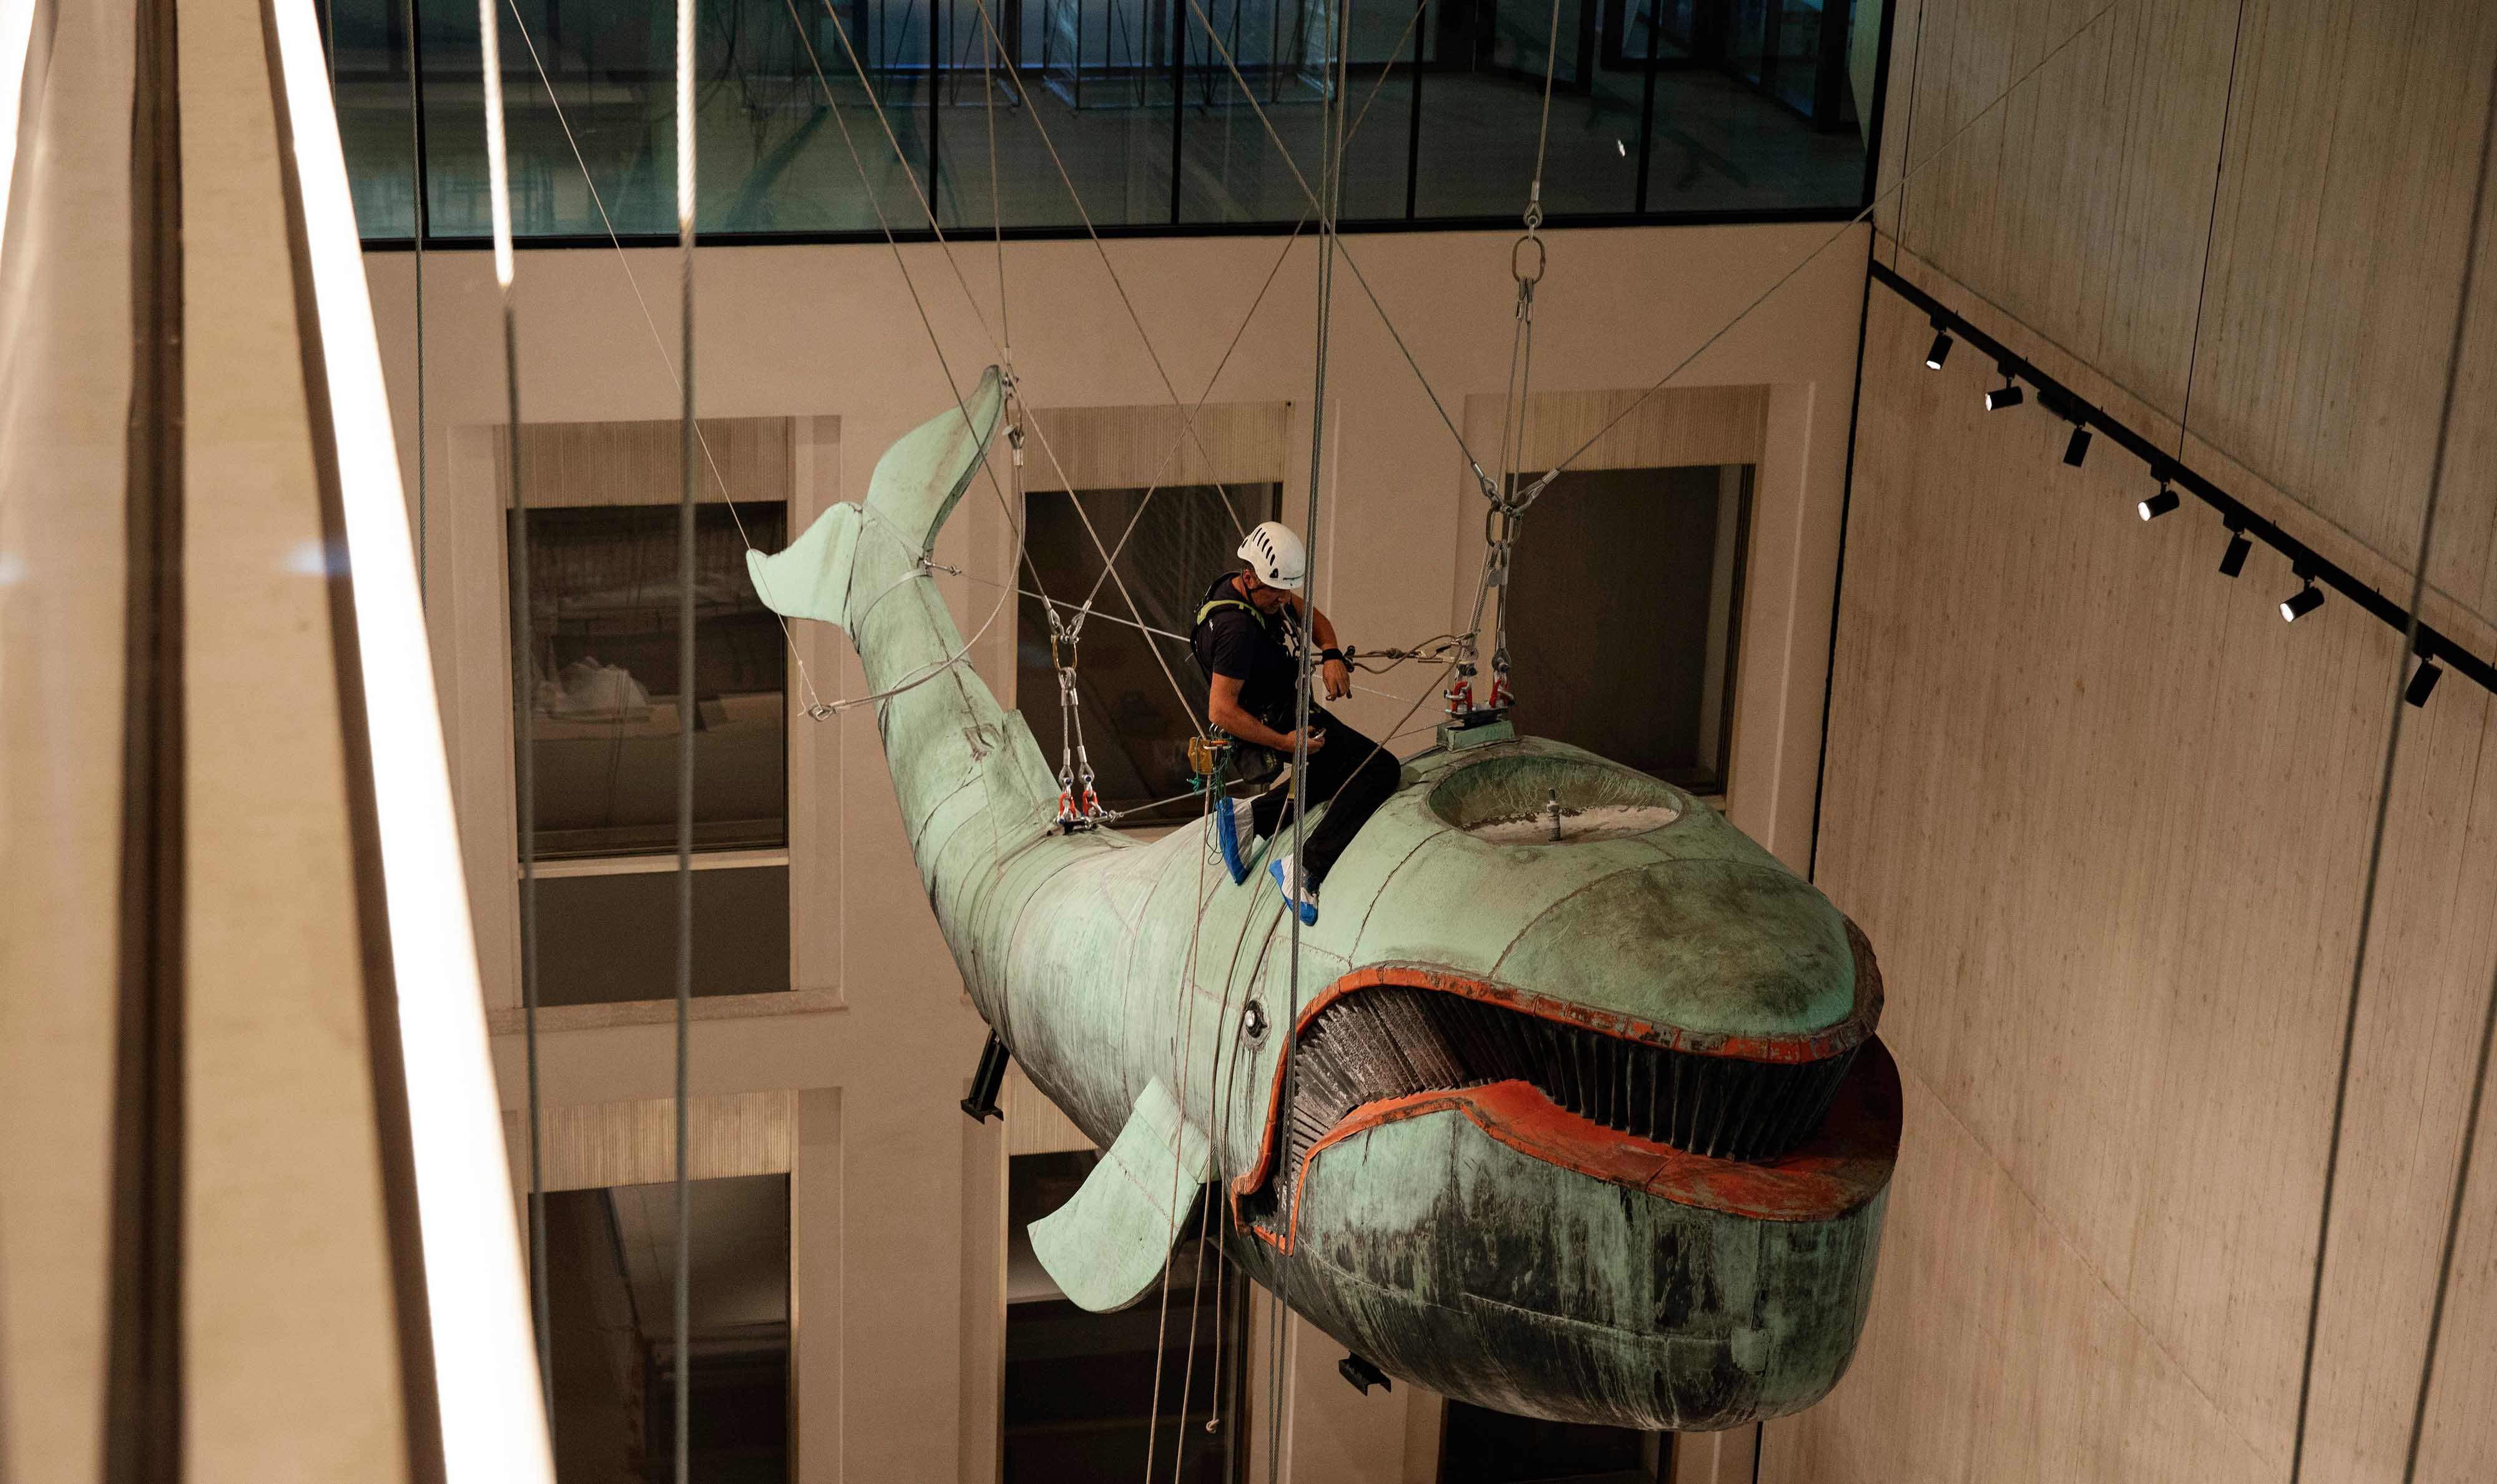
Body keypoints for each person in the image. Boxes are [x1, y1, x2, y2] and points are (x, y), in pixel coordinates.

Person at [1190, 520, 1400, 925]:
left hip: (1286, 709)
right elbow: (1221, 711)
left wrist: (1333, 653)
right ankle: (1303, 867)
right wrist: (1287, 743)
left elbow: (1311, 616)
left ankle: (1249, 818)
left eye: (1288, 589)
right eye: (1277, 591)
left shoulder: (1260, 592)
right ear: (1249, 577)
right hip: (1275, 723)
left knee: (1334, 769)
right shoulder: (1236, 631)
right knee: (1379, 770)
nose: (1285, 599)